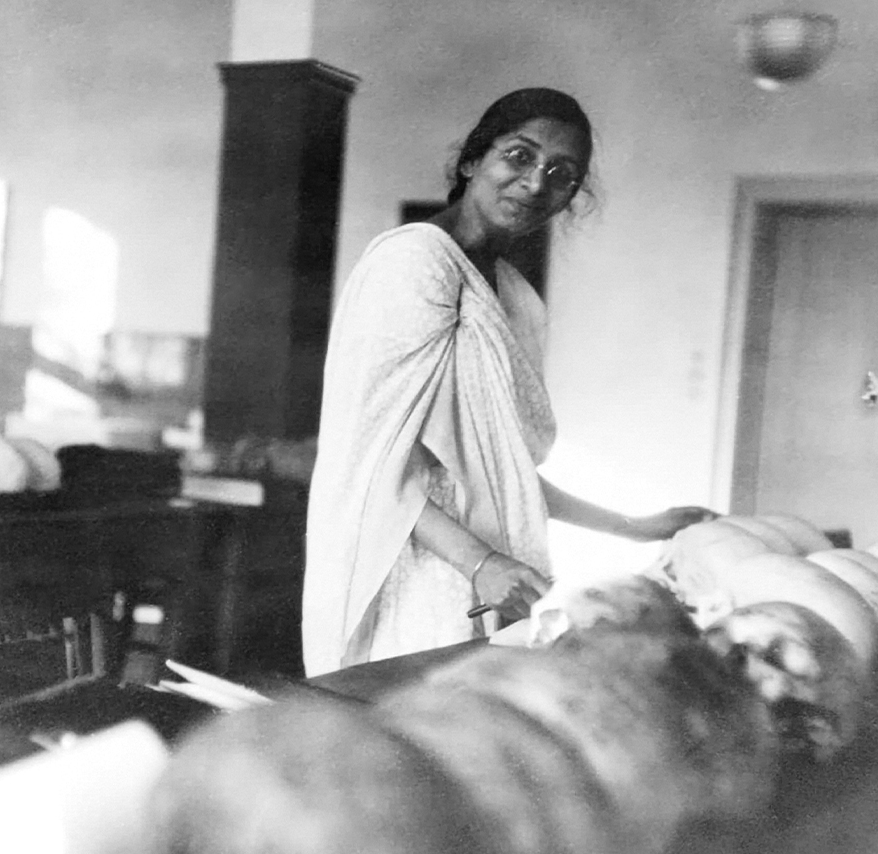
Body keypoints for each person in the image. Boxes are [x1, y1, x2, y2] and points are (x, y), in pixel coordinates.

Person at [302, 88, 716, 677]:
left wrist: (631, 526)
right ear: (473, 160)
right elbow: (367, 464)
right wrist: (478, 563)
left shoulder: (516, 298)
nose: (535, 183)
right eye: (519, 157)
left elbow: (504, 471)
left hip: (495, 569)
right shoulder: (414, 262)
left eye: (561, 174)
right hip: (407, 565)